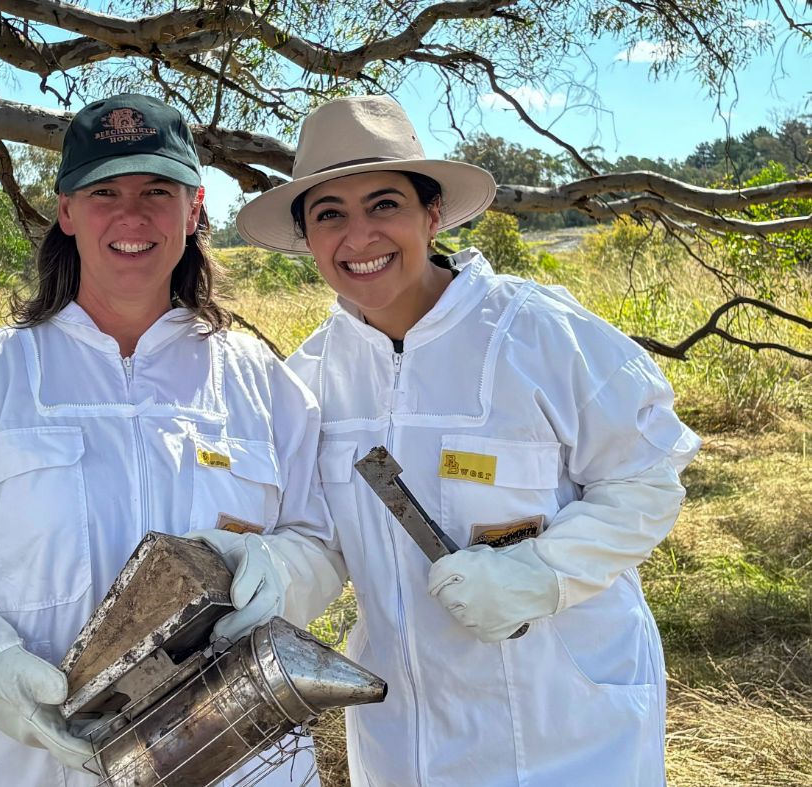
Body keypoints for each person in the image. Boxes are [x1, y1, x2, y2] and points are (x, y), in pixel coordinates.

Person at [0, 94, 343, 787]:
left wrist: (277, 572)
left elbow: (321, 536)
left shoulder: (264, 387)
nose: (131, 215)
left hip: (232, 763)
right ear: (67, 212)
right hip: (14, 766)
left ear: (193, 210)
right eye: (105, 191)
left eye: (157, 190)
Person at [204, 95, 702, 786]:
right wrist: (274, 573)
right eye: (330, 215)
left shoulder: (539, 334)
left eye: (384, 204)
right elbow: (322, 539)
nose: (360, 236)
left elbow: (647, 478)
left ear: (431, 213)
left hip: (570, 737)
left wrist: (542, 573)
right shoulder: (308, 379)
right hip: (404, 746)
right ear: (306, 238)